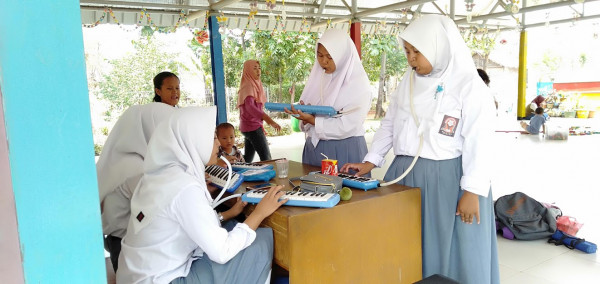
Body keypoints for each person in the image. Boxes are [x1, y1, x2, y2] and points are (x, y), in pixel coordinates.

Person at [341, 15, 500, 284]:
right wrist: (371, 161)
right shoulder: (408, 82)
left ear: (438, 47)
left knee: (452, 249)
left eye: (417, 51)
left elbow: (480, 140)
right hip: (406, 175)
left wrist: (472, 191)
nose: (411, 59)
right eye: (407, 51)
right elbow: (390, 123)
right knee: (409, 246)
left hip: (449, 180)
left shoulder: (468, 85)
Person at [117, 107, 287, 284]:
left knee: (233, 227)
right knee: (259, 240)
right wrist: (260, 212)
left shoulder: (160, 175)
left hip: (137, 276)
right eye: (213, 138)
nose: (219, 145)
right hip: (162, 279)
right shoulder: (185, 187)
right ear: (193, 140)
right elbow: (222, 251)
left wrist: (211, 198)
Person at [96, 102, 176, 272]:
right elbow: (158, 204)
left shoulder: (121, 157)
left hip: (114, 237)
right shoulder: (135, 168)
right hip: (125, 241)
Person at [284, 29, 372, 170]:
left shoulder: (358, 85)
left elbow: (349, 125)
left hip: (345, 152)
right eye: (319, 55)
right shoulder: (318, 78)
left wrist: (313, 120)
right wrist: (304, 116)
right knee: (314, 190)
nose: (323, 61)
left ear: (343, 55)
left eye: (330, 57)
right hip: (314, 151)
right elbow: (307, 122)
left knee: (347, 191)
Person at [237, 60, 281, 162]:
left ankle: (238, 172)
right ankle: (268, 178)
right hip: (253, 127)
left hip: (247, 127)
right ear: (248, 70)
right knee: (266, 158)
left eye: (259, 68)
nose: (258, 71)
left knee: (247, 159)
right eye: (255, 68)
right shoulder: (249, 85)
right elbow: (250, 107)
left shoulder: (252, 83)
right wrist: (269, 120)